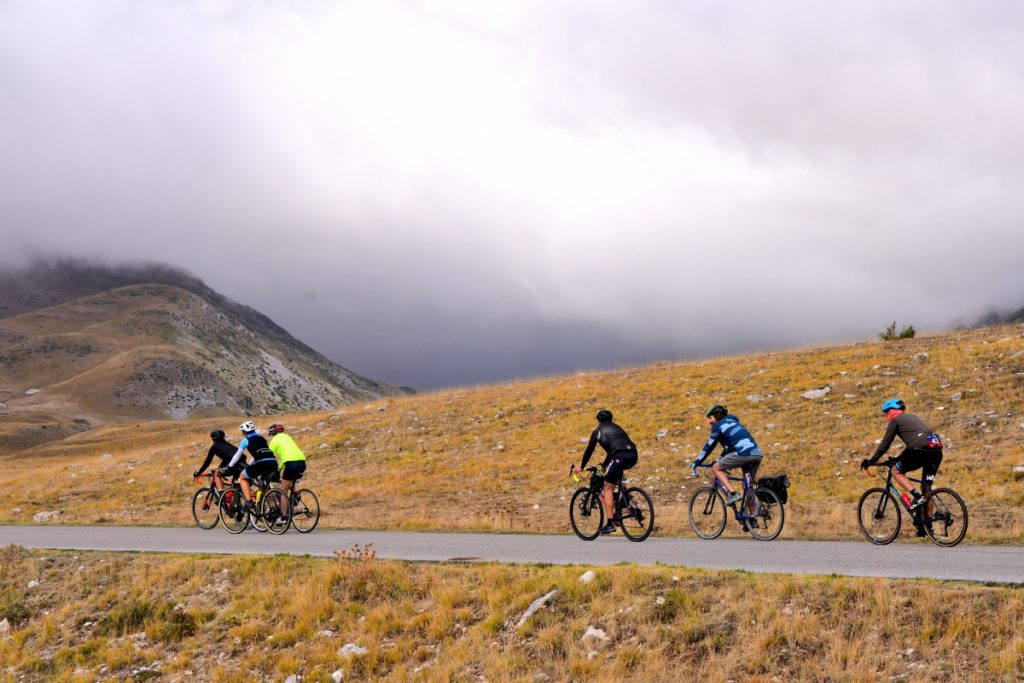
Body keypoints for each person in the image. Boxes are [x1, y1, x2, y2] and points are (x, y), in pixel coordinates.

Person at [860, 398, 943, 525]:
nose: (887, 417)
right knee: (927, 487)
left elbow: (884, 445)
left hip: (920, 449)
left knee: (896, 471)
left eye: (887, 413)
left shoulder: (896, 420)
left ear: (893, 411)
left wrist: (871, 461)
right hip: (936, 450)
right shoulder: (913, 417)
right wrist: (898, 459)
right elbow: (914, 443)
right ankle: (928, 522)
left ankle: (917, 497)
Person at [572, 409, 638, 535]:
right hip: (633, 454)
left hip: (619, 457)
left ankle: (610, 523)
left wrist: (581, 466)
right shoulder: (617, 427)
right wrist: (604, 465)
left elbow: (589, 450)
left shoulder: (598, 432)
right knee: (617, 475)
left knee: (607, 487)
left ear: (598, 420)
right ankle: (625, 499)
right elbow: (614, 450)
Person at [690, 405, 763, 507]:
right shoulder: (733, 422)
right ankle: (752, 518)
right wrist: (720, 459)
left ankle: (733, 494)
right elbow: (729, 448)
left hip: (742, 454)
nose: (708, 421)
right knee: (747, 487)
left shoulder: (717, 427)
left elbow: (709, 447)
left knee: (716, 468)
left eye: (710, 418)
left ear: (716, 416)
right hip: (757, 454)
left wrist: (696, 462)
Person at [226, 420, 278, 511]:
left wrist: (229, 466)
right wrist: (249, 465)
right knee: (263, 486)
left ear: (244, 432)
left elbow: (237, 455)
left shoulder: (246, 440)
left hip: (262, 464)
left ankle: (249, 501)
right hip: (273, 462)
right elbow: (258, 454)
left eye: (243, 432)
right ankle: (274, 508)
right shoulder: (262, 438)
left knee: (242, 477)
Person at [267, 423, 307, 515]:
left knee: (283, 491)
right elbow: (287, 456)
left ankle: (283, 516)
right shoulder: (288, 437)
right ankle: (296, 495)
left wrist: (275, 469)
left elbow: (267, 454)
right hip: (302, 462)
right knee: (288, 481)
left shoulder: (274, 440)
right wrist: (279, 468)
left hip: (291, 464)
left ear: (272, 433)